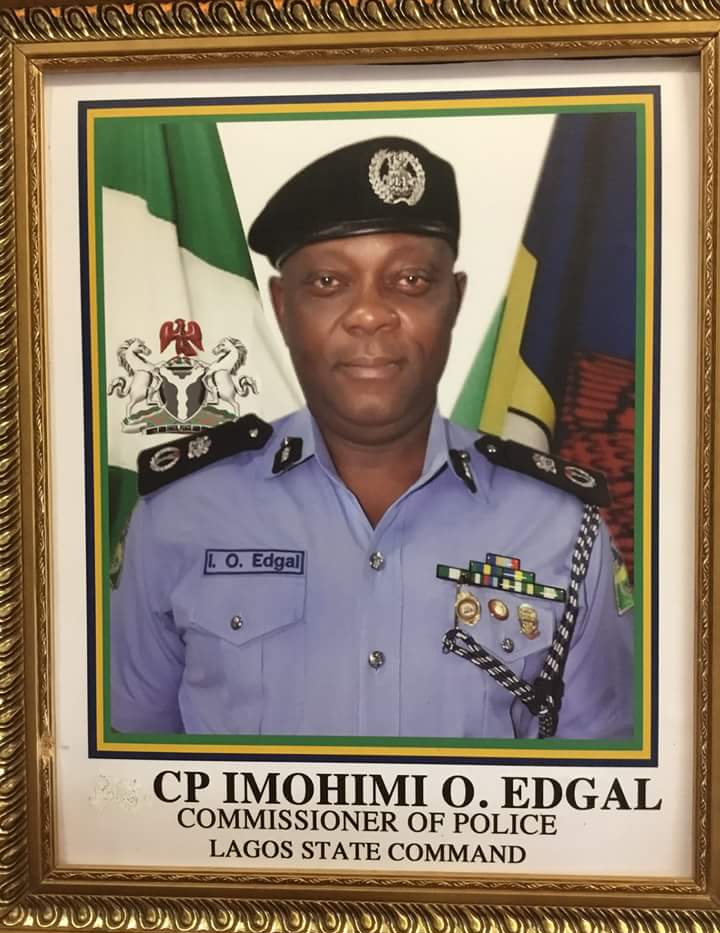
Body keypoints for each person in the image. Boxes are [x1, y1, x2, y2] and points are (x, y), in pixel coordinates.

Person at [110, 136, 634, 740]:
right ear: (281, 306)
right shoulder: (178, 514)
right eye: (328, 282)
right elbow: (124, 772)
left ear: (454, 299)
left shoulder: (562, 526)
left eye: (409, 279)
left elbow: (604, 778)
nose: (369, 314)